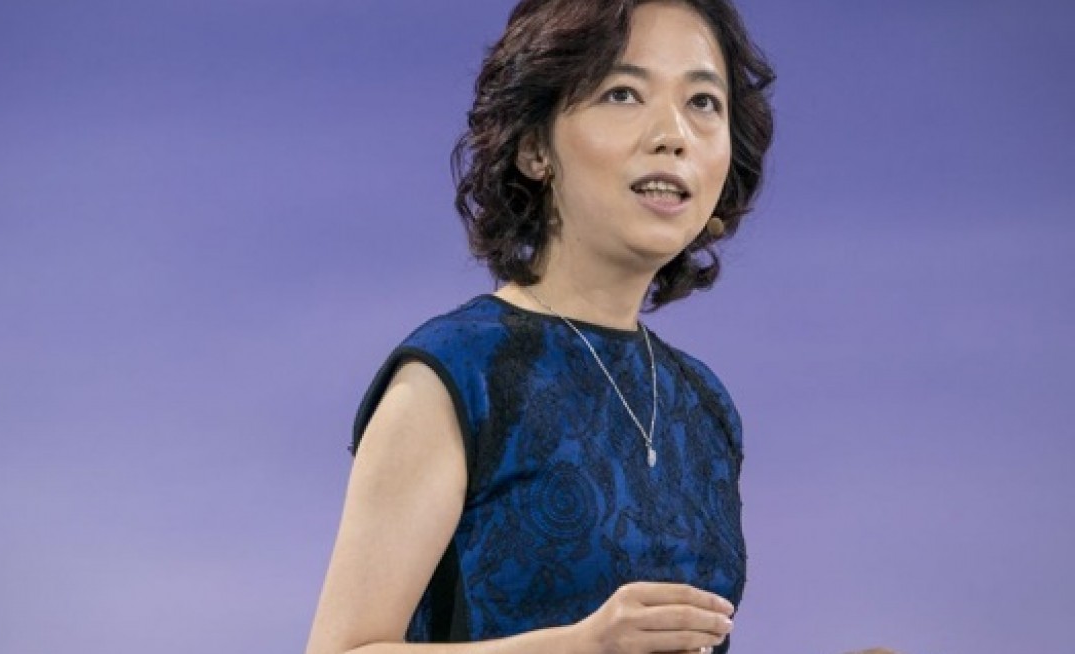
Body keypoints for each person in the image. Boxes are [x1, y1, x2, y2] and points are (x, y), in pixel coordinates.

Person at [306, 1, 772, 652]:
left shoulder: (704, 405)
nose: (674, 135)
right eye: (622, 93)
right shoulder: (459, 374)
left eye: (702, 102)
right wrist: (580, 646)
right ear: (533, 148)